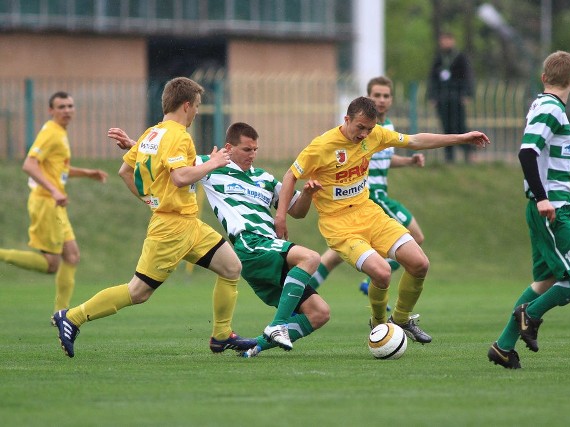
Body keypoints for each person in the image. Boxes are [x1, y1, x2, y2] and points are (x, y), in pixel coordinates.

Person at [52, 77, 256, 358]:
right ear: (186, 105)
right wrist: (213, 163)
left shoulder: (152, 134)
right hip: (171, 228)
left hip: (188, 224)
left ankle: (221, 335)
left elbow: (126, 171)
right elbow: (180, 176)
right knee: (138, 292)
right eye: (196, 106)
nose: (197, 112)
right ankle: (72, 317)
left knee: (232, 268)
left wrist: (152, 199)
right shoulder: (179, 136)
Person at [275, 96, 489, 344]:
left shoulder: (375, 135)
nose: (365, 134)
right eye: (360, 127)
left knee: (420, 263)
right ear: (346, 120)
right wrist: (281, 217)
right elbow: (291, 175)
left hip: (369, 213)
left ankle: (400, 319)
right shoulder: (322, 146)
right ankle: (378, 325)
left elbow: (416, 141)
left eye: (369, 128)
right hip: (339, 225)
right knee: (382, 272)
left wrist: (462, 138)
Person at [108, 122, 331, 358]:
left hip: (270, 250)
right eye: (246, 149)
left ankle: (254, 347)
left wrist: (307, 193)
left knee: (319, 313)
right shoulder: (213, 164)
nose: (252, 155)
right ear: (229, 148)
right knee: (311, 257)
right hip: (250, 244)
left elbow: (297, 211)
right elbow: (170, 162)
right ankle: (277, 325)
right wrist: (134, 145)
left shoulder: (264, 178)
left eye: (255, 149)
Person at [488, 51, 570, 369]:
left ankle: (503, 347)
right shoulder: (552, 108)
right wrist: (542, 198)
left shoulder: (543, 106)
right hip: (552, 210)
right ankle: (531, 315)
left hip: (548, 208)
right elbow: (527, 153)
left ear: (544, 78)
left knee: (545, 282)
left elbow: (545, 152)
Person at [309, 77, 426, 304]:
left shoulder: (386, 128)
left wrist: (409, 161)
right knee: (416, 237)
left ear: (391, 100)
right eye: (376, 95)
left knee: (333, 257)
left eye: (386, 96)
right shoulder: (363, 131)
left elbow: (383, 159)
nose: (381, 100)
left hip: (375, 196)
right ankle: (373, 279)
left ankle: (301, 296)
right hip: (369, 197)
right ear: (367, 98)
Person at [0, 91, 108, 320]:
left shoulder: (59, 132)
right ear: (51, 110)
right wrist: (54, 190)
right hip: (45, 203)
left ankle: (60, 313)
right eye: (61, 107)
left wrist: (87, 173)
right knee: (52, 264)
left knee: (72, 256)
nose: (67, 110)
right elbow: (29, 165)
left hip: (54, 204)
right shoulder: (50, 132)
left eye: (70, 105)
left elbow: (56, 168)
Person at [427, 32, 475, 164]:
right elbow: (432, 78)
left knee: (460, 125)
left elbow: (468, 76)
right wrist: (432, 96)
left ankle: (468, 152)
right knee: (446, 127)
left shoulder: (460, 57)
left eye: (447, 40)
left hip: (457, 97)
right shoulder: (439, 58)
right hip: (443, 97)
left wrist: (467, 94)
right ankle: (449, 156)